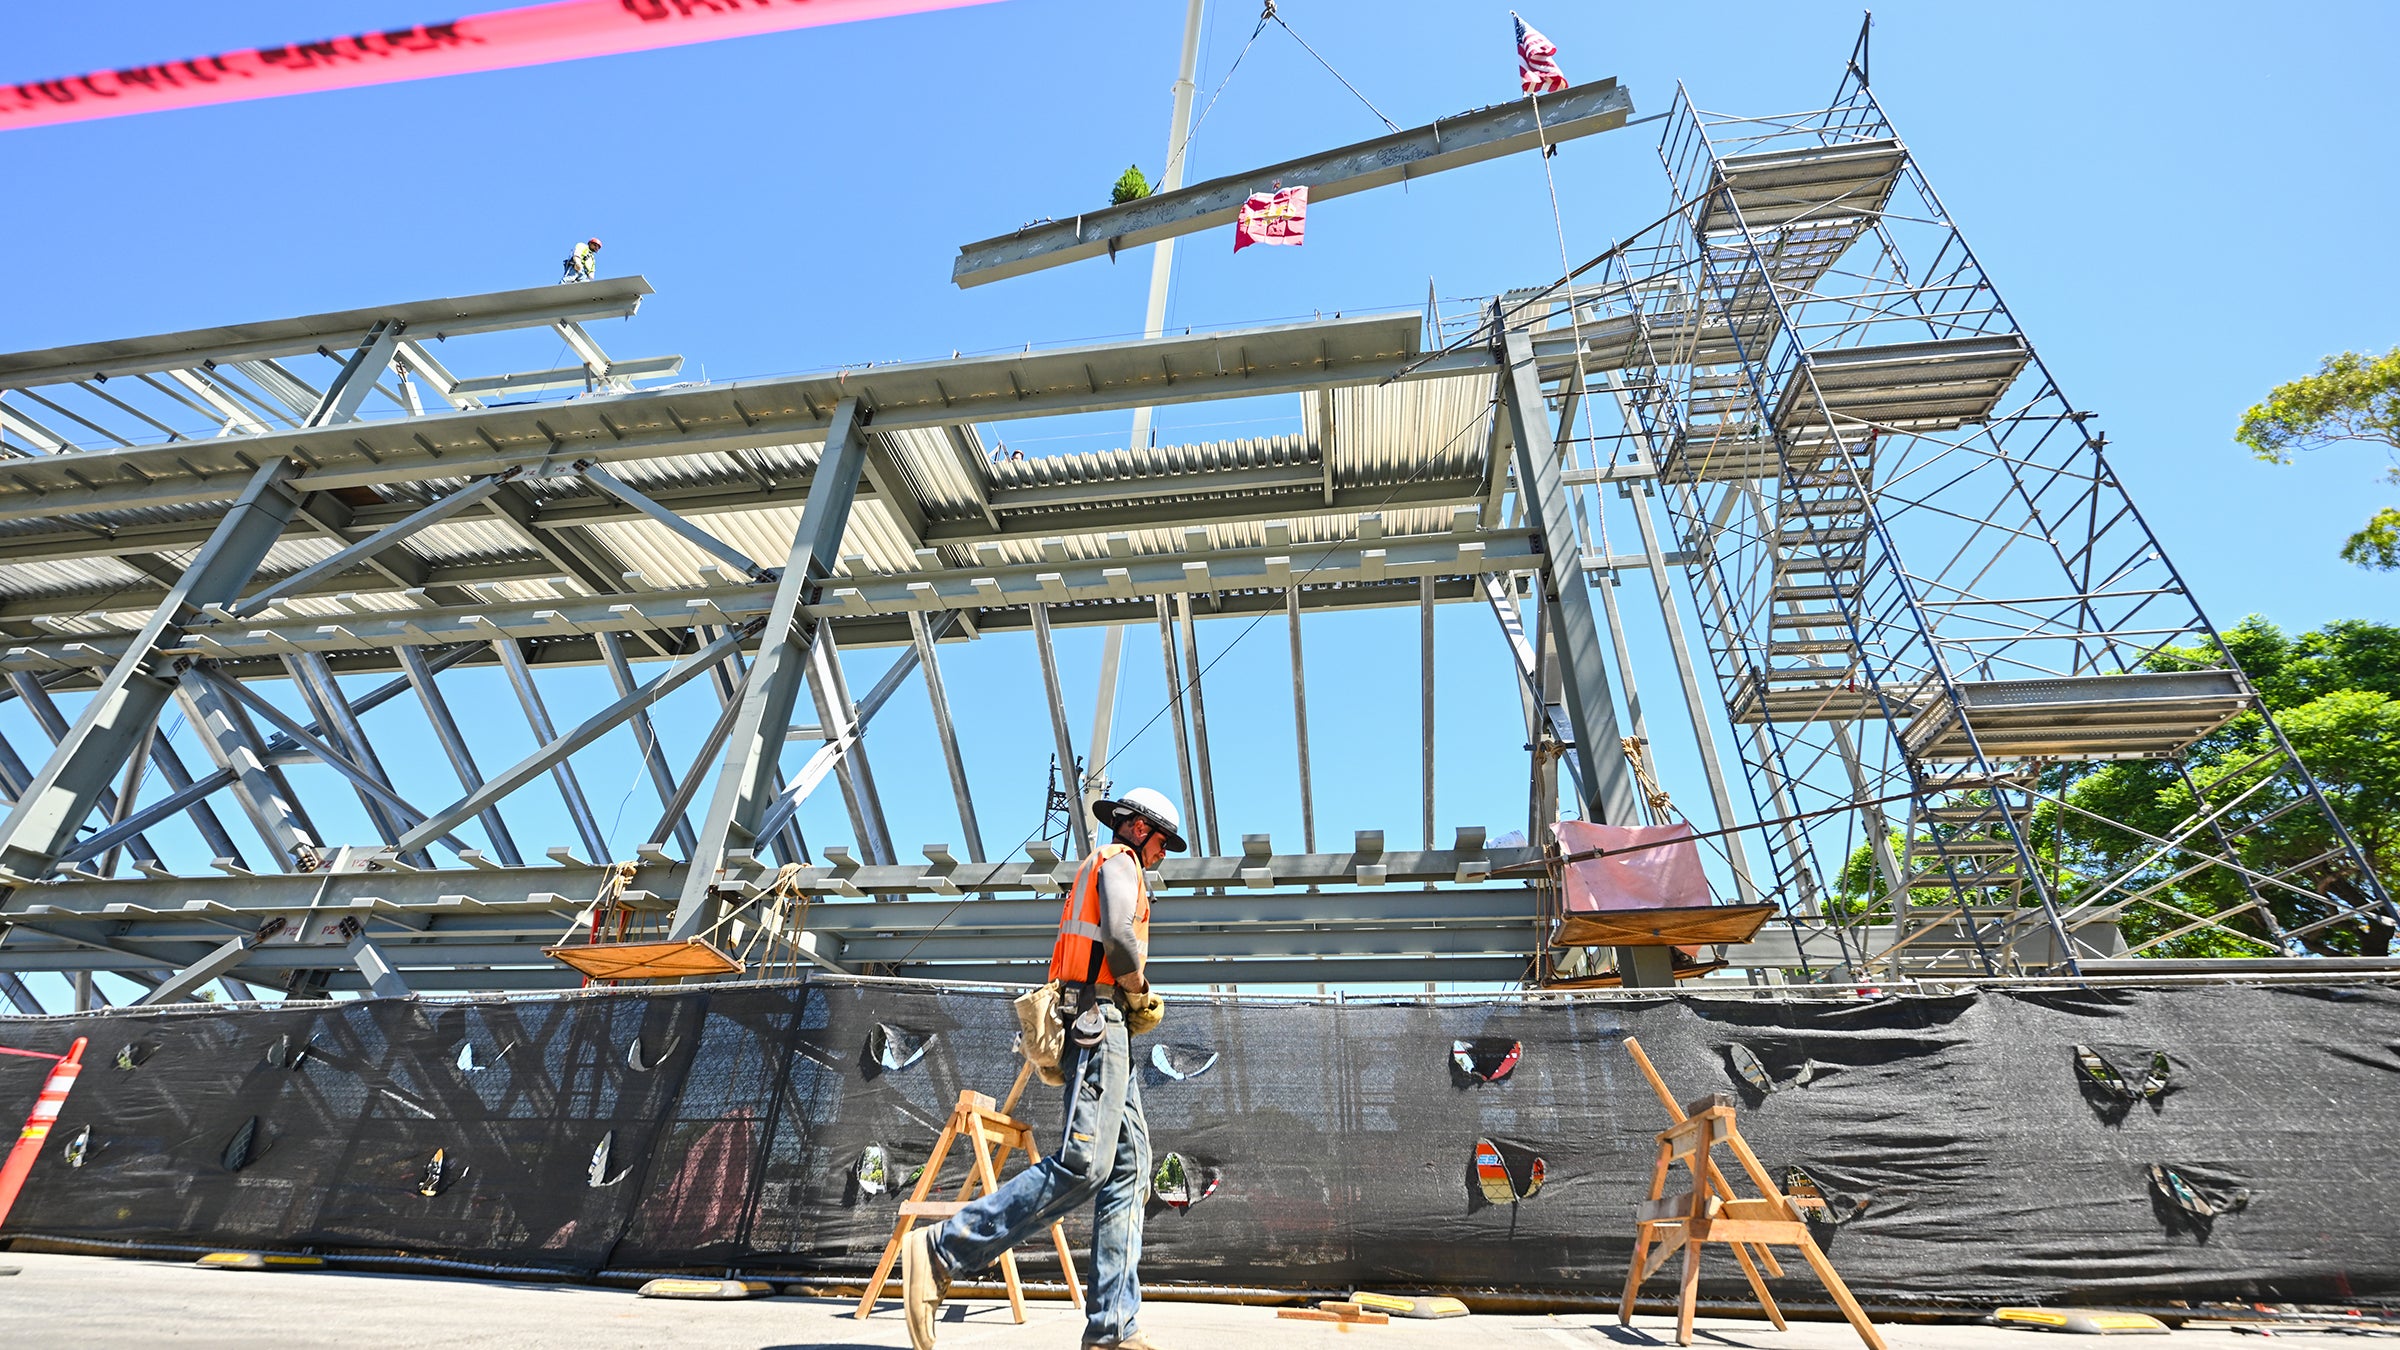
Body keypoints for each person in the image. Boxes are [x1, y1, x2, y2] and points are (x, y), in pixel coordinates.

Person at [903, 787, 1182, 1350]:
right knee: (1085, 1163)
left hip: (1103, 1021)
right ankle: (944, 1249)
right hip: (1101, 1018)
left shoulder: (1104, 866)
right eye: (1164, 844)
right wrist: (1139, 991)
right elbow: (1123, 945)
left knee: (1130, 1167)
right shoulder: (1119, 861)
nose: (1163, 855)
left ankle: (1113, 1330)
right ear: (1141, 830)